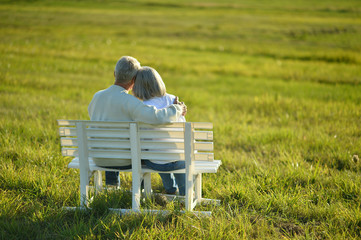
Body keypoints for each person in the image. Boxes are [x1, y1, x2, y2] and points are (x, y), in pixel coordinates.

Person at [88, 56, 187, 186]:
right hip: (123, 160)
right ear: (134, 80)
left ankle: (111, 187)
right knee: (142, 151)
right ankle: (141, 192)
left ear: (114, 74)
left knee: (112, 142)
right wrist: (177, 108)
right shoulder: (130, 102)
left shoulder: (97, 96)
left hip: (98, 157)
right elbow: (157, 117)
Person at [132, 66, 186, 196]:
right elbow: (183, 127)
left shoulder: (143, 108)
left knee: (158, 154)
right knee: (176, 156)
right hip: (181, 159)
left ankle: (170, 190)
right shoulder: (174, 101)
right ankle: (185, 192)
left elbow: (143, 139)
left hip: (158, 163)